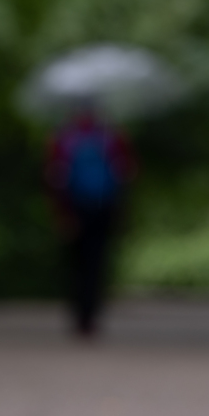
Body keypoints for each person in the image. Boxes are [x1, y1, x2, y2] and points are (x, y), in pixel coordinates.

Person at [46, 105, 134, 339]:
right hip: (103, 209)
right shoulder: (111, 137)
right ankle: (91, 316)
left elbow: (56, 178)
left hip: (75, 209)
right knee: (97, 262)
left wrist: (62, 212)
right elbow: (125, 174)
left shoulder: (64, 139)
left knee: (77, 264)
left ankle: (80, 317)